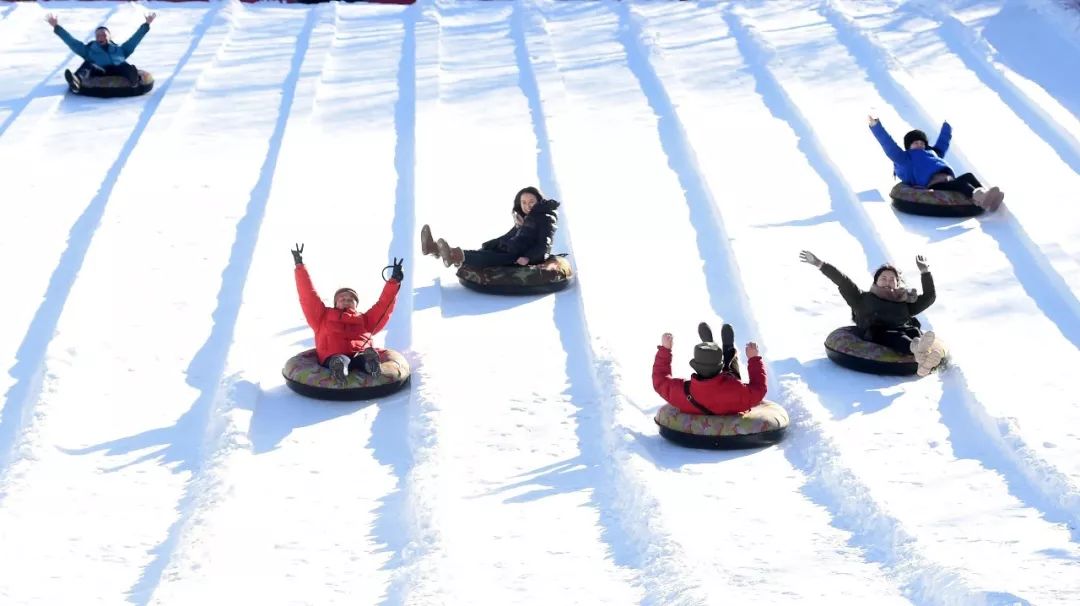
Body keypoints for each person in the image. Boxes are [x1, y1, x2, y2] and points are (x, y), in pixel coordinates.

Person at [800, 250, 945, 376]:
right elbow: (842, 281)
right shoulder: (861, 299)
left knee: (913, 332)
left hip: (907, 331)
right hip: (878, 333)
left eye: (892, 279)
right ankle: (917, 350)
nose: (888, 282)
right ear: (876, 282)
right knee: (895, 336)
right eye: (883, 278)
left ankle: (923, 361)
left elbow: (929, 297)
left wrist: (925, 272)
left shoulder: (905, 302)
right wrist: (820, 264)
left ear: (897, 283)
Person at [291, 244, 404, 384]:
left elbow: (384, 306)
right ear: (335, 303)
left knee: (364, 356)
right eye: (342, 299)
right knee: (340, 359)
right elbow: (308, 296)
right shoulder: (321, 316)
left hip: (359, 354)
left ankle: (371, 363)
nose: (346, 301)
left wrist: (394, 281)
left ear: (356, 304)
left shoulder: (365, 319)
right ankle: (338, 368)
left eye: (351, 299)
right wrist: (300, 267)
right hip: (332, 355)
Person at [868, 115, 1003, 211]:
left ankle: (986, 197)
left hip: (947, 179)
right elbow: (888, 145)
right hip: (934, 184)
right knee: (962, 184)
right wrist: (876, 126)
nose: (919, 144)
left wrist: (947, 126)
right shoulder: (905, 158)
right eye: (915, 143)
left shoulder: (932, 153)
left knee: (969, 176)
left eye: (922, 143)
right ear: (908, 146)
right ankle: (981, 198)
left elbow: (943, 143)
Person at [419, 186, 559, 269]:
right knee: (482, 252)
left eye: (531, 202)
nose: (527, 206)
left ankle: (452, 255)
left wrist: (528, 257)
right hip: (511, 250)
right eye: (523, 202)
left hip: (518, 256)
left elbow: (544, 245)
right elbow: (509, 236)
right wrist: (493, 243)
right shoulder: (524, 218)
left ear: (539, 201)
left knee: (487, 258)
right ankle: (434, 248)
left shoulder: (545, 218)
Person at [652, 322, 767, 416]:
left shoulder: (682, 392)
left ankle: (708, 348)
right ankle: (728, 349)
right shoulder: (736, 390)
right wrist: (754, 359)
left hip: (698, 394)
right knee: (731, 370)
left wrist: (665, 350)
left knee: (729, 372)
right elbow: (759, 390)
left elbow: (660, 381)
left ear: (696, 366)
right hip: (728, 385)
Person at [46, 12, 156, 92]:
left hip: (118, 69)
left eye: (103, 35)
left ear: (109, 37)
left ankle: (134, 81)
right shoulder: (89, 50)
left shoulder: (120, 50)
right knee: (88, 65)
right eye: (98, 35)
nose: (101, 37)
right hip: (100, 70)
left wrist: (146, 24)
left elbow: (134, 40)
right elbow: (72, 42)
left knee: (126, 66)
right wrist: (57, 27)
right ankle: (76, 81)